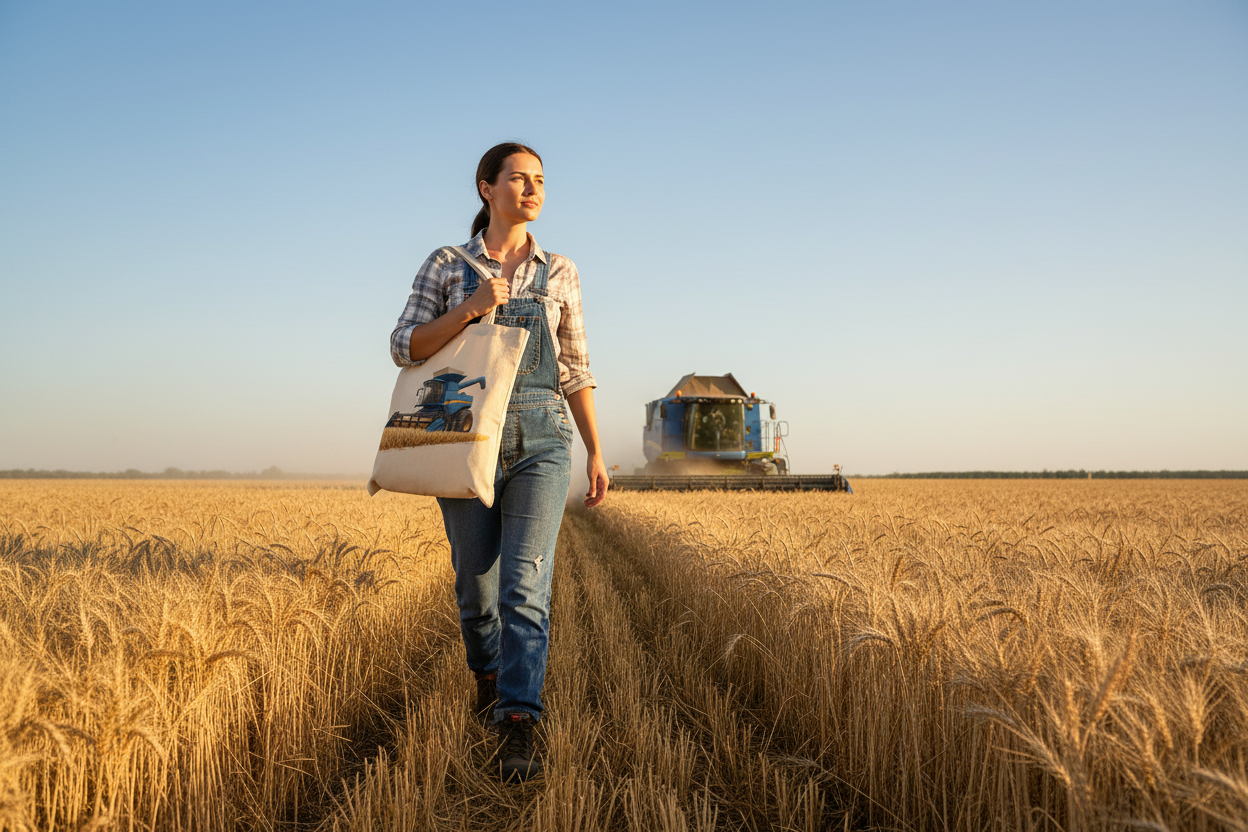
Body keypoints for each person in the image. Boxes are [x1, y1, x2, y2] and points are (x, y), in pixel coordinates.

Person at [389, 142, 609, 783]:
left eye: (540, 179)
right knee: (476, 588)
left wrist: (596, 449)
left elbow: (574, 368)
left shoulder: (560, 270)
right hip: (461, 436)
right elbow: (403, 345)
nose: (532, 188)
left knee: (525, 586)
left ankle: (518, 720)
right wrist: (471, 308)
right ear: (486, 188)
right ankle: (487, 676)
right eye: (519, 178)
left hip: (543, 439)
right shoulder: (447, 265)